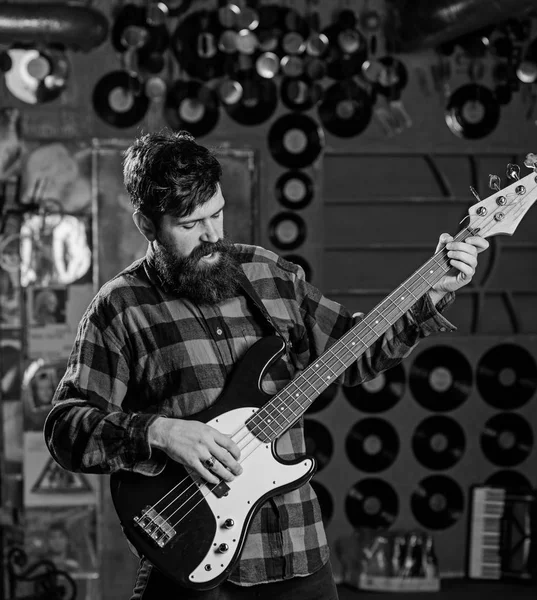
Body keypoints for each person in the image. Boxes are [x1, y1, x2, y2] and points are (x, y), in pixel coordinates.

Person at [44, 130, 488, 600]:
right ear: (146, 225)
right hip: (190, 559)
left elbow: (353, 353)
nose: (213, 236)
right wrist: (160, 432)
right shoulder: (120, 307)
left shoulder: (269, 275)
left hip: (298, 552)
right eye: (191, 224)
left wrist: (430, 295)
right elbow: (66, 428)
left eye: (217, 214)